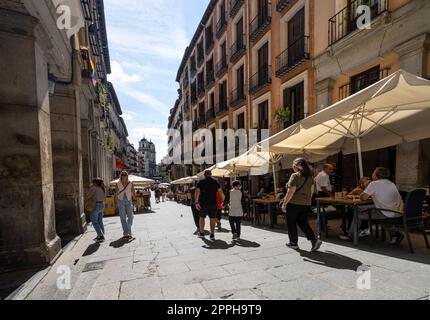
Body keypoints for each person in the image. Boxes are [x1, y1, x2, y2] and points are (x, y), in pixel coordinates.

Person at [345, 168, 405, 245]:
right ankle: (395, 234)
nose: (372, 174)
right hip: (397, 211)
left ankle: (351, 236)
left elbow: (363, 197)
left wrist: (366, 189)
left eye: (373, 172)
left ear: (376, 175)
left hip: (386, 212)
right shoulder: (391, 183)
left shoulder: (374, 184)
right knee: (364, 209)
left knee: (357, 214)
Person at [281, 158, 322, 252]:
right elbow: (311, 192)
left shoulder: (295, 176)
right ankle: (314, 240)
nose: (292, 167)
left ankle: (293, 243)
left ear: (296, 166)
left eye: (293, 165)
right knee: (303, 223)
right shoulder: (310, 177)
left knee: (291, 223)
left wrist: (284, 204)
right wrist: (307, 202)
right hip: (306, 204)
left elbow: (290, 191)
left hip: (294, 203)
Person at [195, 170, 225, 241]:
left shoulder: (200, 181)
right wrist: (224, 201)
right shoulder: (215, 181)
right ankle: (212, 235)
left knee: (202, 217)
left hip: (203, 203)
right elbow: (220, 192)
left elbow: (197, 192)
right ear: (211, 174)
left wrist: (196, 202)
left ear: (204, 175)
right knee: (212, 219)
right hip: (213, 203)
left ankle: (202, 233)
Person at [115, 171, 136, 239]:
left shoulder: (130, 183)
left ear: (127, 175)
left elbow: (133, 191)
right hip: (121, 200)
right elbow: (116, 193)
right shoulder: (117, 183)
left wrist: (135, 200)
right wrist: (115, 203)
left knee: (131, 216)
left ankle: (128, 228)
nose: (124, 176)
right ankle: (126, 232)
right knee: (122, 217)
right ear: (120, 176)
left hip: (129, 200)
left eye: (125, 174)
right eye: (122, 174)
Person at [88, 178, 106, 242]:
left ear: (95, 183)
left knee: (94, 221)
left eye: (93, 182)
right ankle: (101, 234)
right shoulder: (102, 189)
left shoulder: (94, 188)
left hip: (96, 205)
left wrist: (91, 188)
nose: (92, 183)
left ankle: (101, 236)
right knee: (100, 220)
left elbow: (89, 195)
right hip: (101, 205)